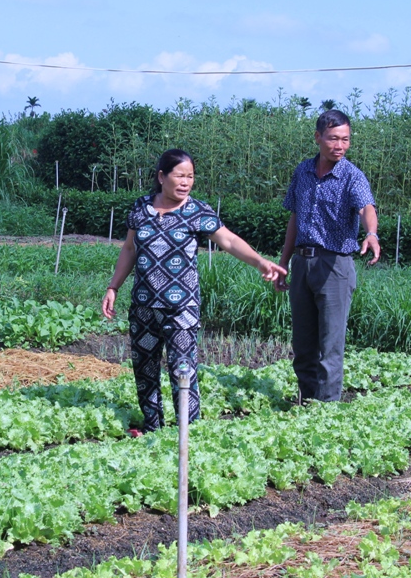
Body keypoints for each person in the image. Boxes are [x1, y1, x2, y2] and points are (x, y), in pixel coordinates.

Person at [102, 149, 287, 434]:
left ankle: (188, 434)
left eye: (190, 176)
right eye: (180, 175)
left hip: (181, 308)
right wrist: (113, 286)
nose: (186, 182)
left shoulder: (197, 211)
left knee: (183, 370)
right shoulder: (141, 208)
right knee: (145, 372)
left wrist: (260, 261)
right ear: (162, 176)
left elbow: (228, 240)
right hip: (143, 306)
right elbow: (129, 248)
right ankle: (153, 430)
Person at [275, 109, 380, 404]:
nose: (340, 146)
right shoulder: (303, 172)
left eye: (345, 140)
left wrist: (371, 234)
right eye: (333, 138)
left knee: (330, 346)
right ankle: (308, 402)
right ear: (318, 137)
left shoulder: (352, 176)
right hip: (302, 263)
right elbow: (294, 219)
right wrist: (284, 263)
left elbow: (366, 208)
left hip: (335, 265)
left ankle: (327, 409)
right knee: (303, 344)